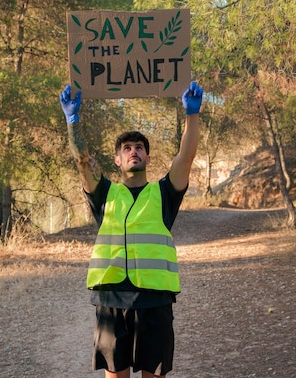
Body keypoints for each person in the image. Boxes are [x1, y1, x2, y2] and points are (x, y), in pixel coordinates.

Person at [59, 81, 203, 378]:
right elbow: (82, 161)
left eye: (139, 148)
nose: (134, 151)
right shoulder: (105, 193)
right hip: (111, 302)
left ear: (148, 158)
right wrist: (73, 123)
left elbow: (185, 157)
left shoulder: (164, 193)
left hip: (155, 302)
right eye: (127, 148)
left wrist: (192, 115)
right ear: (118, 159)